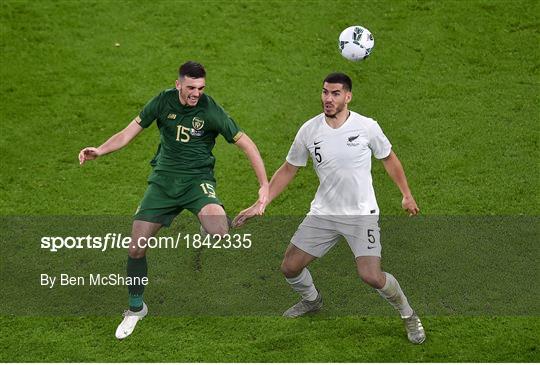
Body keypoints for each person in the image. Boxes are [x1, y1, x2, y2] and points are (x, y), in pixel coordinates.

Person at [79, 61, 269, 340]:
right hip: (163, 182)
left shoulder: (211, 110)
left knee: (220, 231)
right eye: (191, 87)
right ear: (178, 84)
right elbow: (128, 133)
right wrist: (100, 150)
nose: (196, 94)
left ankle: (205, 220)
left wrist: (264, 186)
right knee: (135, 249)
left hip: (196, 182)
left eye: (201, 88)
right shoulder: (162, 101)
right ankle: (136, 309)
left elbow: (246, 144)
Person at [234, 72, 425, 344]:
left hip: (361, 215)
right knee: (289, 267)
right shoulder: (309, 131)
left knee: (371, 276)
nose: (328, 98)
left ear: (348, 96)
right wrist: (261, 202)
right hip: (324, 214)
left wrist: (406, 194)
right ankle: (312, 301)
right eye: (325, 92)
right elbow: (289, 169)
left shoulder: (367, 127)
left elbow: (389, 158)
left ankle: (408, 315)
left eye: (335, 93)